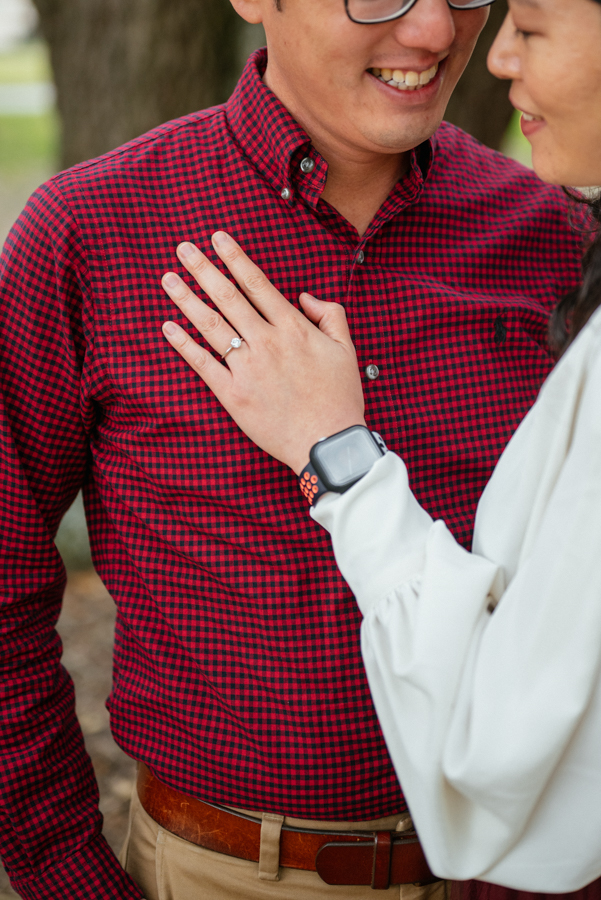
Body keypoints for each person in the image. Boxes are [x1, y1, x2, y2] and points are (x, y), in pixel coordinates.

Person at [0, 1, 586, 900]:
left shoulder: (557, 237)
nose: (433, 32)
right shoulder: (91, 232)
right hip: (220, 875)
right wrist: (68, 872)